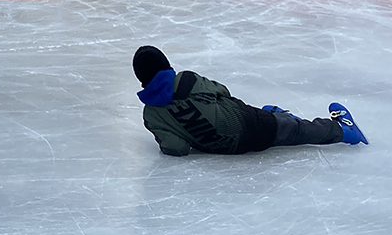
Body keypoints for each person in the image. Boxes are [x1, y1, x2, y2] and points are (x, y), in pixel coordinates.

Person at [132, 45, 368, 157]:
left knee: (271, 123)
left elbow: (177, 148)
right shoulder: (186, 80)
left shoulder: (151, 115)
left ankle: (276, 116)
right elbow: (222, 91)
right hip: (250, 125)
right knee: (297, 131)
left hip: (224, 149)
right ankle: (344, 131)